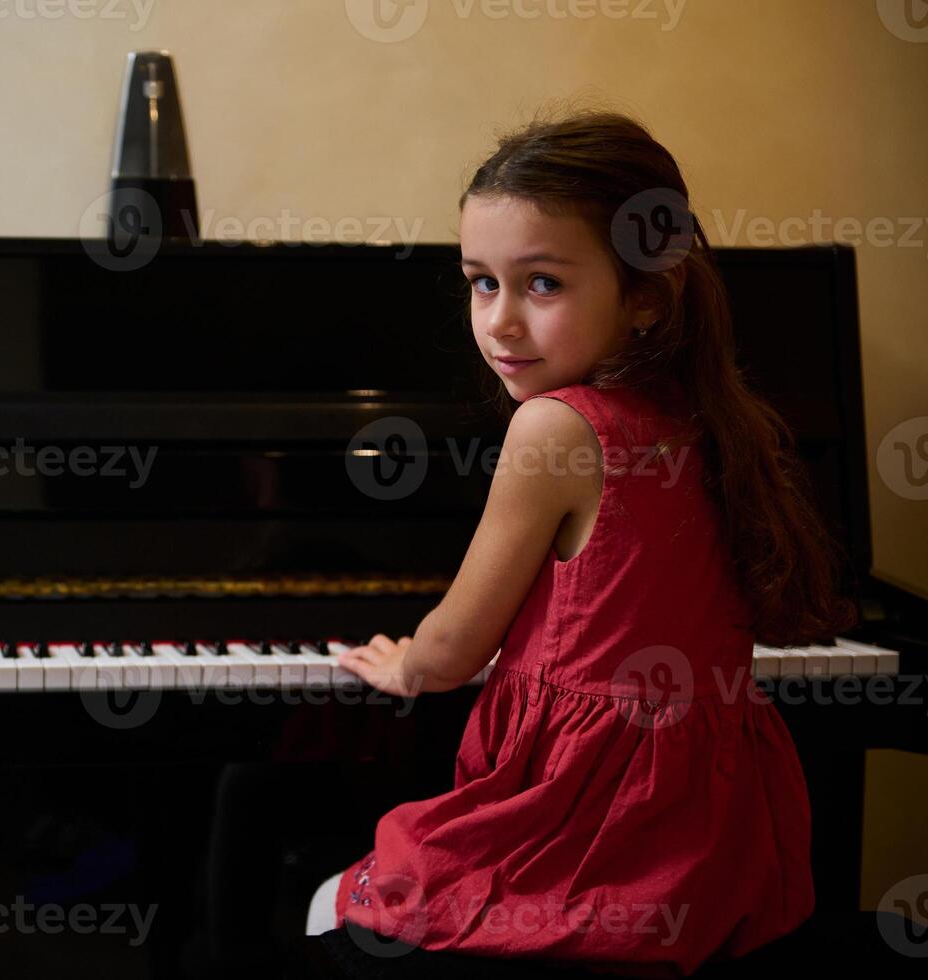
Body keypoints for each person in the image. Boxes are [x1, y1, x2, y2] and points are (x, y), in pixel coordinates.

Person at [306, 107, 857, 978]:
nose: (500, 323)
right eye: (480, 281)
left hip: (587, 828)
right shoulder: (711, 415)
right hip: (712, 833)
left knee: (327, 901)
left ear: (645, 295)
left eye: (542, 284)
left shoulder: (555, 430)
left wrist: (404, 664)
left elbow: (453, 651)